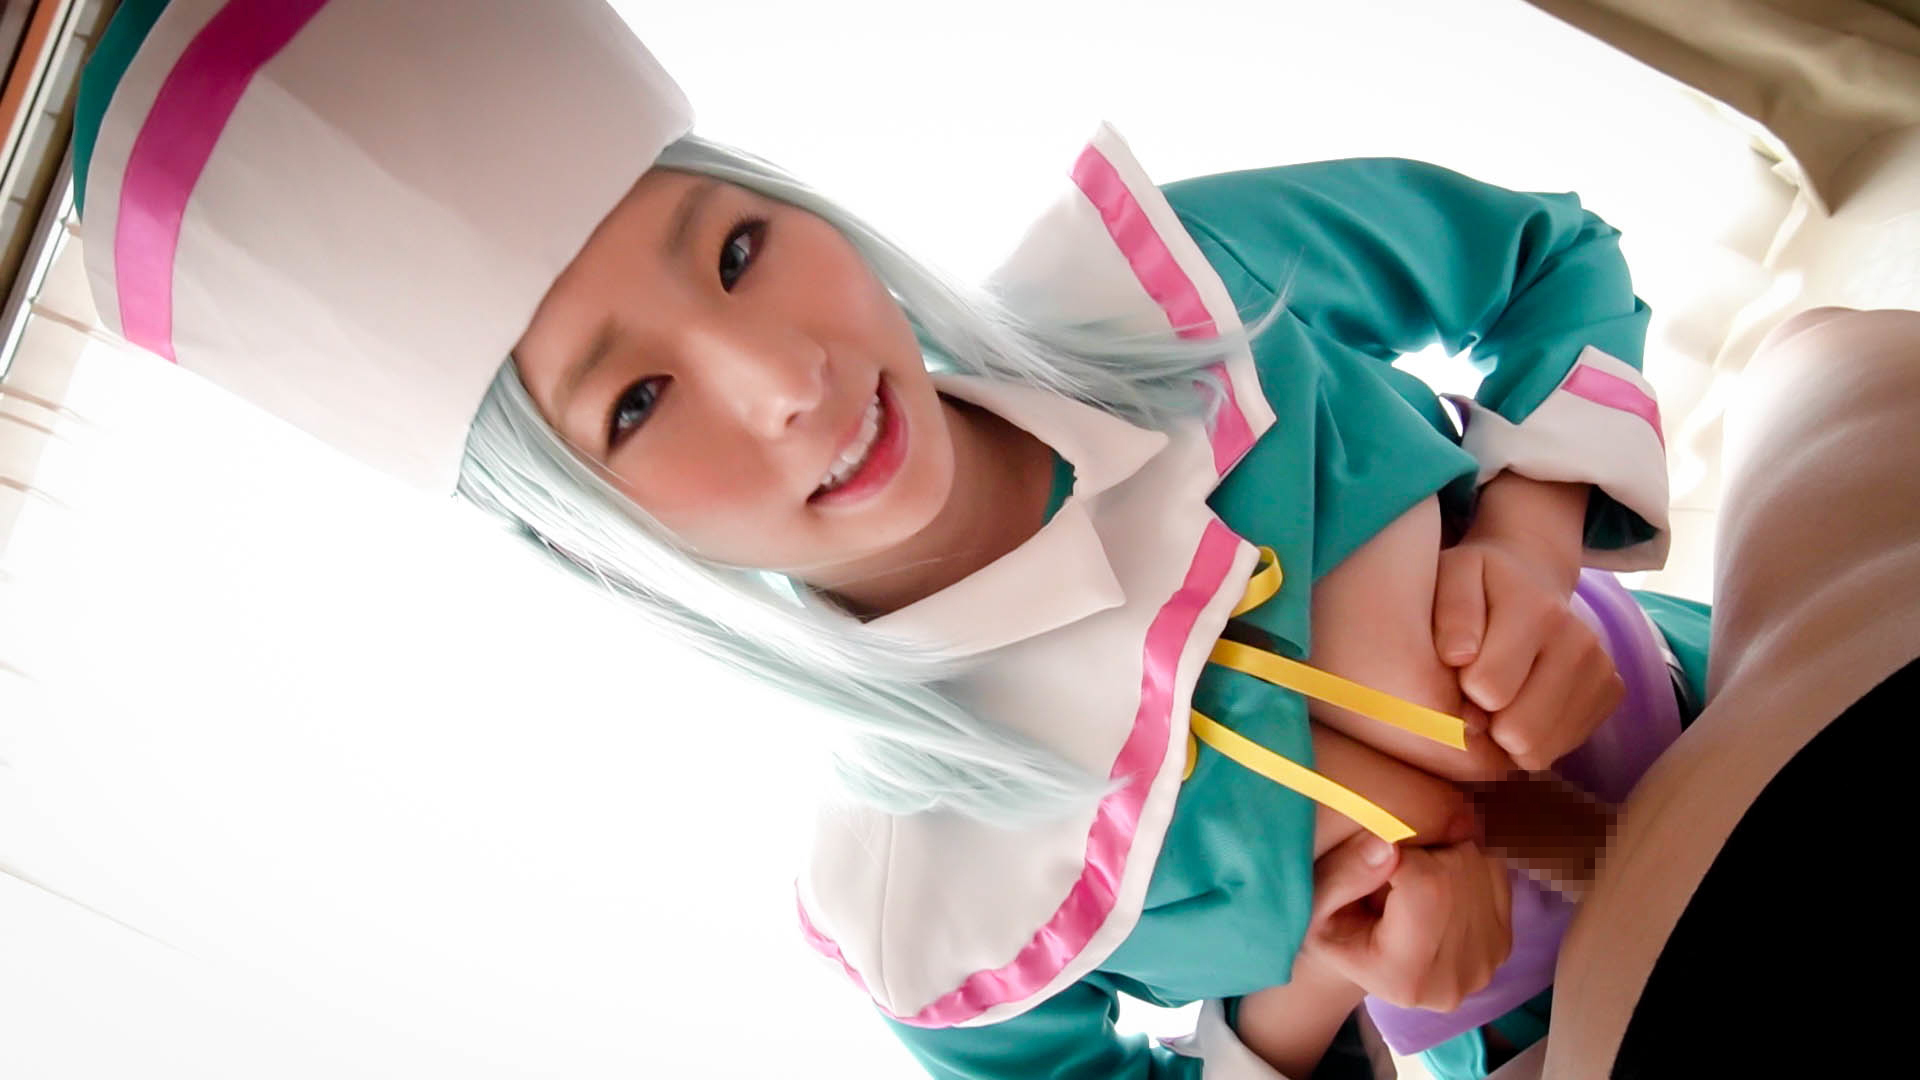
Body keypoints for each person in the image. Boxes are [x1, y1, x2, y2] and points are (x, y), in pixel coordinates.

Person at [72, 2, 1707, 1077]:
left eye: (735, 251)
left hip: (1763, 680)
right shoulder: (920, 907)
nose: (783, 382)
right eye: (634, 404)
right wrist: (1317, 991)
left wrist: (1527, 537)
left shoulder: (1183, 279)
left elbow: (1544, 260)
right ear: (591, 536)